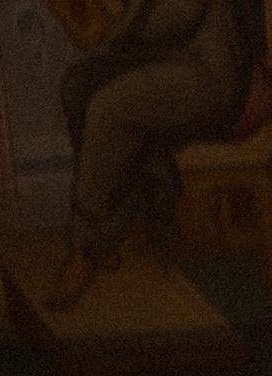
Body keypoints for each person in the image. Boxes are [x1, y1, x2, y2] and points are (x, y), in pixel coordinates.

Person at [42, 0, 252, 312]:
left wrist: (109, 28)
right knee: (76, 87)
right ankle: (107, 230)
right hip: (165, 59)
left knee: (107, 109)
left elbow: (174, 19)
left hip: (209, 76)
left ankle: (84, 247)